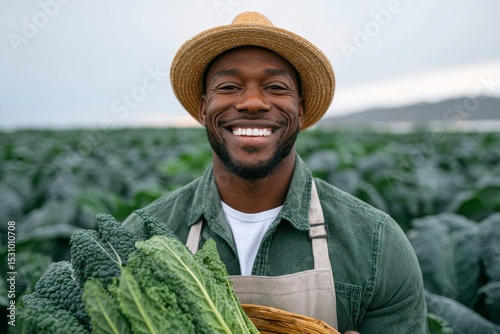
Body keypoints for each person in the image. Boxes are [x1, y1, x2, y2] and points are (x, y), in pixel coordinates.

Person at [123, 11, 429, 333]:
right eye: (228, 86)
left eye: (275, 87)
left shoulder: (377, 244)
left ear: (301, 109)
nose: (253, 102)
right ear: (203, 108)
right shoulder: (140, 238)